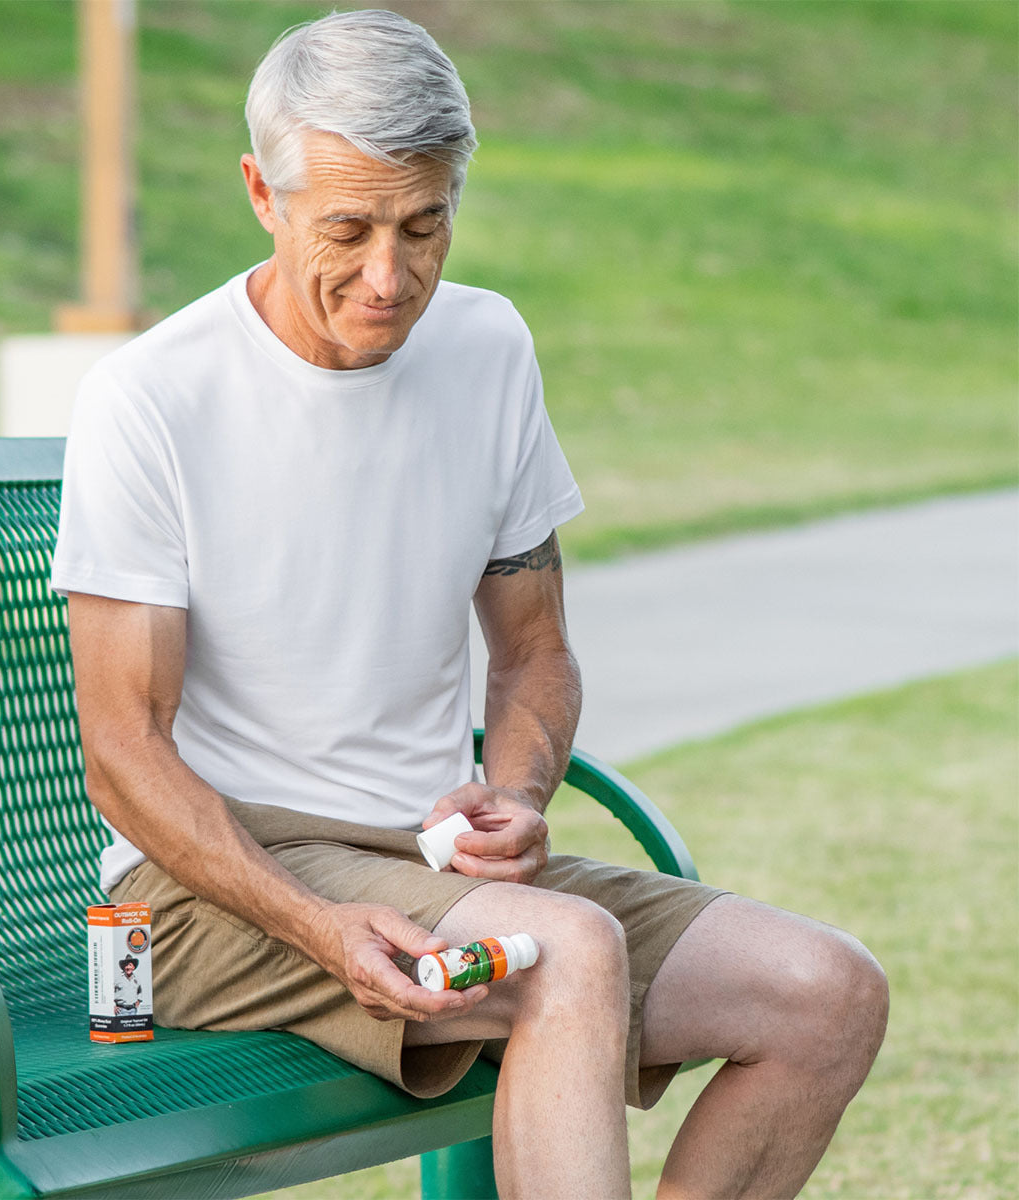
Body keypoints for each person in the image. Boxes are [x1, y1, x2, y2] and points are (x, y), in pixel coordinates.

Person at [52, 10, 888, 1196]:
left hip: (433, 868)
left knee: (825, 993)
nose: (390, 278)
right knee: (567, 953)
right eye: (347, 228)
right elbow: (122, 752)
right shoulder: (153, 399)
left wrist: (520, 791)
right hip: (206, 893)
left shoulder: (487, 347)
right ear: (260, 192)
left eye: (423, 223)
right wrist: (316, 926)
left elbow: (534, 649)